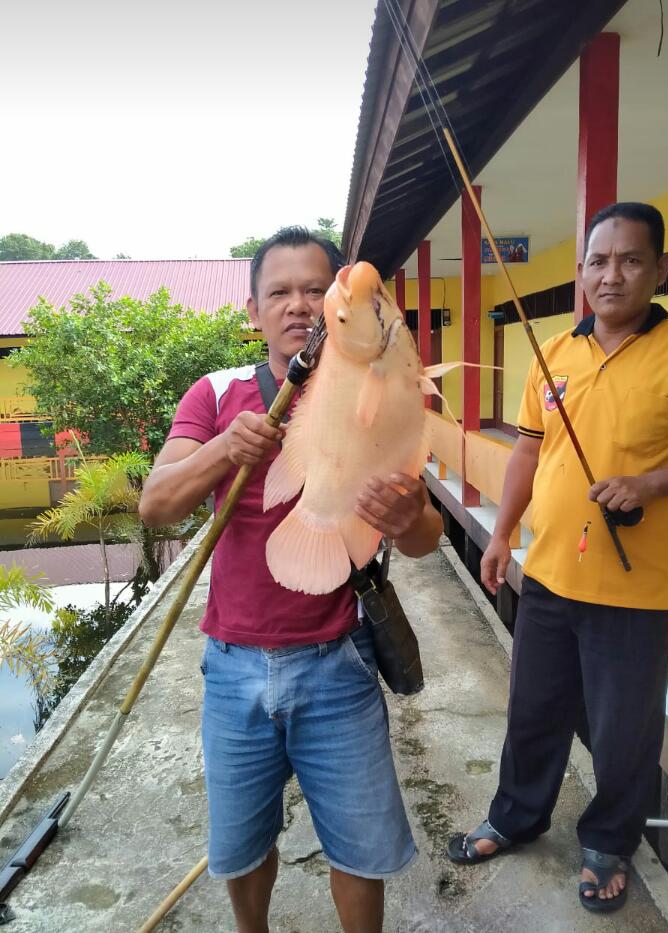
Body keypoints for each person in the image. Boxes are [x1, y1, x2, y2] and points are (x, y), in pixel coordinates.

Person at [140, 226, 443, 933]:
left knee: (362, 849)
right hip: (234, 665)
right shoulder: (217, 393)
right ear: (253, 310)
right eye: (279, 291)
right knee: (242, 849)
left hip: (337, 661)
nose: (299, 304)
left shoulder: (379, 382)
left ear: (340, 301)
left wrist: (405, 516)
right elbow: (157, 503)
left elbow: (427, 537)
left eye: (316, 288)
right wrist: (224, 446)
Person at [445, 203, 668, 913]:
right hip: (550, 574)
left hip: (636, 589)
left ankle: (607, 842)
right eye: (598, 261)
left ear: (661, 269)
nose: (612, 274)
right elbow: (531, 451)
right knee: (533, 710)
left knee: (625, 730)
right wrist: (503, 533)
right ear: (581, 272)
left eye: (631, 260)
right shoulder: (554, 355)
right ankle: (516, 815)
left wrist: (649, 484)